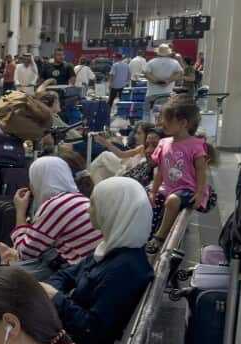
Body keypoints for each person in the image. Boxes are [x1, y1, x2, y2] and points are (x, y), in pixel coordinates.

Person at [44, 177, 156, 344]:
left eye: (94, 205)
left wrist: (55, 297)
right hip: (67, 337)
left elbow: (93, 330)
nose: (88, 210)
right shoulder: (112, 249)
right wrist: (51, 292)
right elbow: (66, 274)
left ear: (113, 211)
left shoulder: (125, 270)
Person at [3, 156, 104, 280]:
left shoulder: (57, 205)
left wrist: (20, 211)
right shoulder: (77, 199)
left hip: (83, 275)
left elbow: (25, 252)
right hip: (93, 270)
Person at [148, 99, 217, 248]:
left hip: (188, 189)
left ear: (183, 123)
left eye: (166, 119)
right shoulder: (163, 143)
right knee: (147, 199)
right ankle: (148, 234)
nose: (162, 122)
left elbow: (201, 170)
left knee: (172, 201)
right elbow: (161, 170)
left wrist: (199, 193)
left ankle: (160, 236)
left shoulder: (195, 145)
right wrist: (153, 191)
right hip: (168, 187)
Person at [90, 123, 160, 188]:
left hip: (127, 177)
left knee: (104, 157)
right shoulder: (141, 148)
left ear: (147, 135)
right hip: (124, 170)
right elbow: (121, 154)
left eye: (139, 133)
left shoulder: (150, 154)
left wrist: (105, 142)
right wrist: (105, 142)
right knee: (99, 168)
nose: (135, 136)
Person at [143, 44, 183, 121]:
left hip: (152, 93)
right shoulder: (174, 62)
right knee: (166, 114)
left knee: (147, 113)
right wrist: (169, 80)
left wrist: (155, 80)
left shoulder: (151, 62)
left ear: (158, 52)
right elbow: (181, 73)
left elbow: (146, 73)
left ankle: (148, 129)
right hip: (167, 93)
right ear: (168, 52)